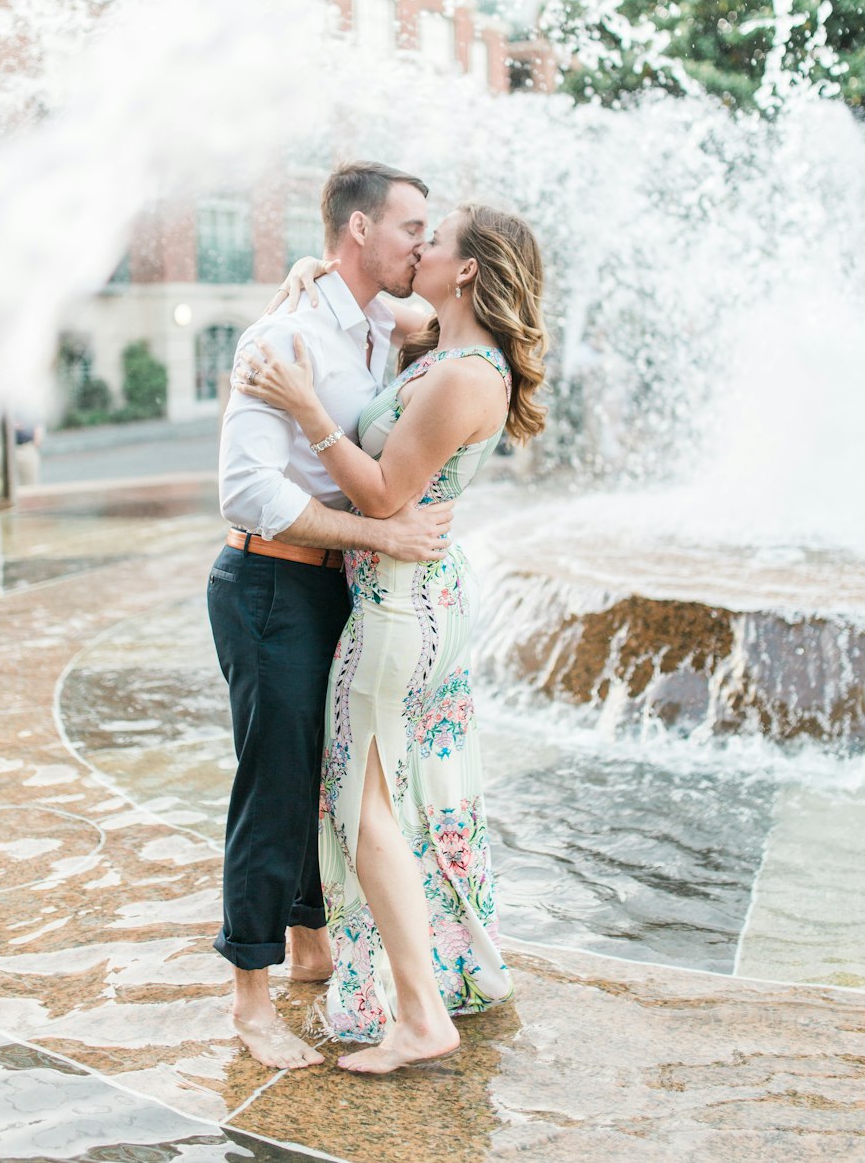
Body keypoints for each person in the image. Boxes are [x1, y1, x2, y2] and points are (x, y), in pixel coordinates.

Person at [235, 201, 548, 1075]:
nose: (419, 250)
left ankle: (419, 1017)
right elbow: (380, 300)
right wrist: (311, 270)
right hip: (412, 596)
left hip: (397, 606)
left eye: (434, 241)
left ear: (469, 270)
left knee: (365, 801)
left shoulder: (463, 377)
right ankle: (443, 976)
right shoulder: (442, 340)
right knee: (410, 797)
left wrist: (303, 404)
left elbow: (380, 497)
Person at [209, 161, 456, 1072]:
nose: (423, 246)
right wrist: (377, 534)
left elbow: (447, 319)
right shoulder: (285, 337)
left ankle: (310, 941)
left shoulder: (369, 319)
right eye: (410, 229)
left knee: (325, 778)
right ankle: (248, 999)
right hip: (268, 583)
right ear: (359, 229)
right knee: (273, 783)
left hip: (329, 586)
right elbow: (244, 491)